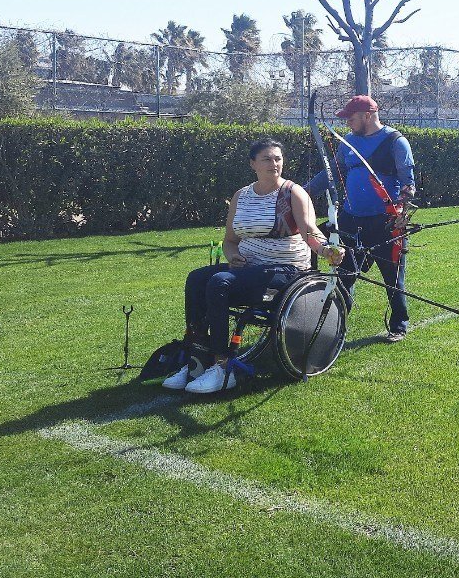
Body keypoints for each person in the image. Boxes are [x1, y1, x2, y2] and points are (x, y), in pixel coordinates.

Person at [164, 138, 343, 394]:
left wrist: (326, 250)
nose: (274, 164)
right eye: (267, 159)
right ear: (253, 164)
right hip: (248, 269)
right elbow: (230, 241)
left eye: (278, 158)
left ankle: (222, 364)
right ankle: (197, 358)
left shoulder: (293, 192)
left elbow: (309, 230)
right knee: (196, 278)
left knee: (218, 282)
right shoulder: (242, 196)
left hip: (284, 271)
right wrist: (233, 255)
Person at [325, 95, 417, 343]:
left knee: (393, 275)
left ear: (367, 116)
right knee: (345, 274)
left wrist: (402, 212)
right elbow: (332, 173)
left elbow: (408, 183)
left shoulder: (395, 141)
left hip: (386, 221)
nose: (347, 124)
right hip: (351, 219)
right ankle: (336, 328)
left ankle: (399, 324)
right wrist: (295, 192)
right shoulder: (348, 143)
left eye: (351, 119)